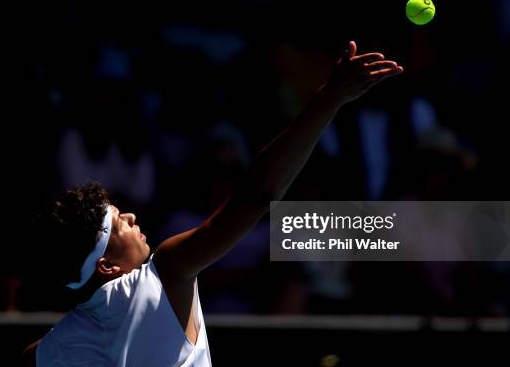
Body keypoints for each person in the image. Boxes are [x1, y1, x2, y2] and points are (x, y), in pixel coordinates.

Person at [31, 41, 403, 366]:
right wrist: (329, 98)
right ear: (107, 266)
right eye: (118, 224)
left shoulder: (61, 343)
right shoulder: (167, 269)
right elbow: (255, 197)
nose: (129, 216)